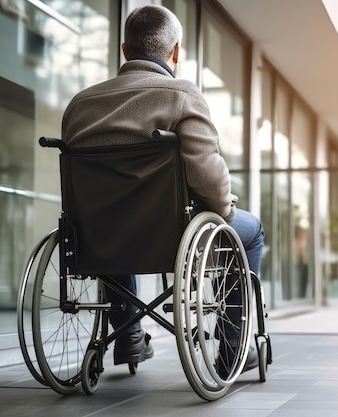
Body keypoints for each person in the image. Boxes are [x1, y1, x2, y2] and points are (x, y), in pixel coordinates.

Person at [61, 5, 264, 369]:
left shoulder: (80, 105)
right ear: (175, 52)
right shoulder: (180, 95)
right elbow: (207, 176)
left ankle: (128, 337)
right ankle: (233, 350)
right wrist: (225, 209)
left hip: (99, 235)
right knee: (251, 232)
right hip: (170, 235)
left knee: (112, 216)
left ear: (125, 50)